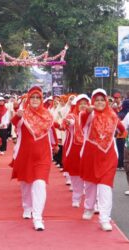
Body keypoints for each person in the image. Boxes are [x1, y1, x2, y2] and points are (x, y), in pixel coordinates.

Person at [80, 89, 126, 232]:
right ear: (93, 102)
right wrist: (87, 111)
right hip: (91, 155)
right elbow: (82, 121)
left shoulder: (113, 116)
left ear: (106, 101)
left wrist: (118, 134)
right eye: (97, 100)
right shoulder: (89, 114)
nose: (99, 103)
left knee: (105, 187)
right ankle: (89, 207)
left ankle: (104, 218)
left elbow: (123, 129)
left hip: (108, 156)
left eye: (102, 100)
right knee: (90, 185)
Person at [10, 86, 55, 231]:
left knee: (39, 184)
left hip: (43, 156)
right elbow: (14, 123)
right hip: (25, 156)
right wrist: (18, 115)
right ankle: (27, 207)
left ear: (41, 100)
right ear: (28, 99)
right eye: (32, 97)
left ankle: (38, 218)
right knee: (26, 184)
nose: (35, 100)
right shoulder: (23, 114)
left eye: (38, 97)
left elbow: (52, 131)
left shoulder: (47, 116)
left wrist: (55, 144)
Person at [62, 94, 90, 207]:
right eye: (81, 104)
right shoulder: (72, 116)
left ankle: (91, 202)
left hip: (89, 148)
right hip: (75, 148)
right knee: (75, 174)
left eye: (85, 103)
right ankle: (76, 197)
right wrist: (68, 123)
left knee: (89, 175)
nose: (83, 106)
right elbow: (68, 122)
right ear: (76, 105)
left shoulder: (91, 116)